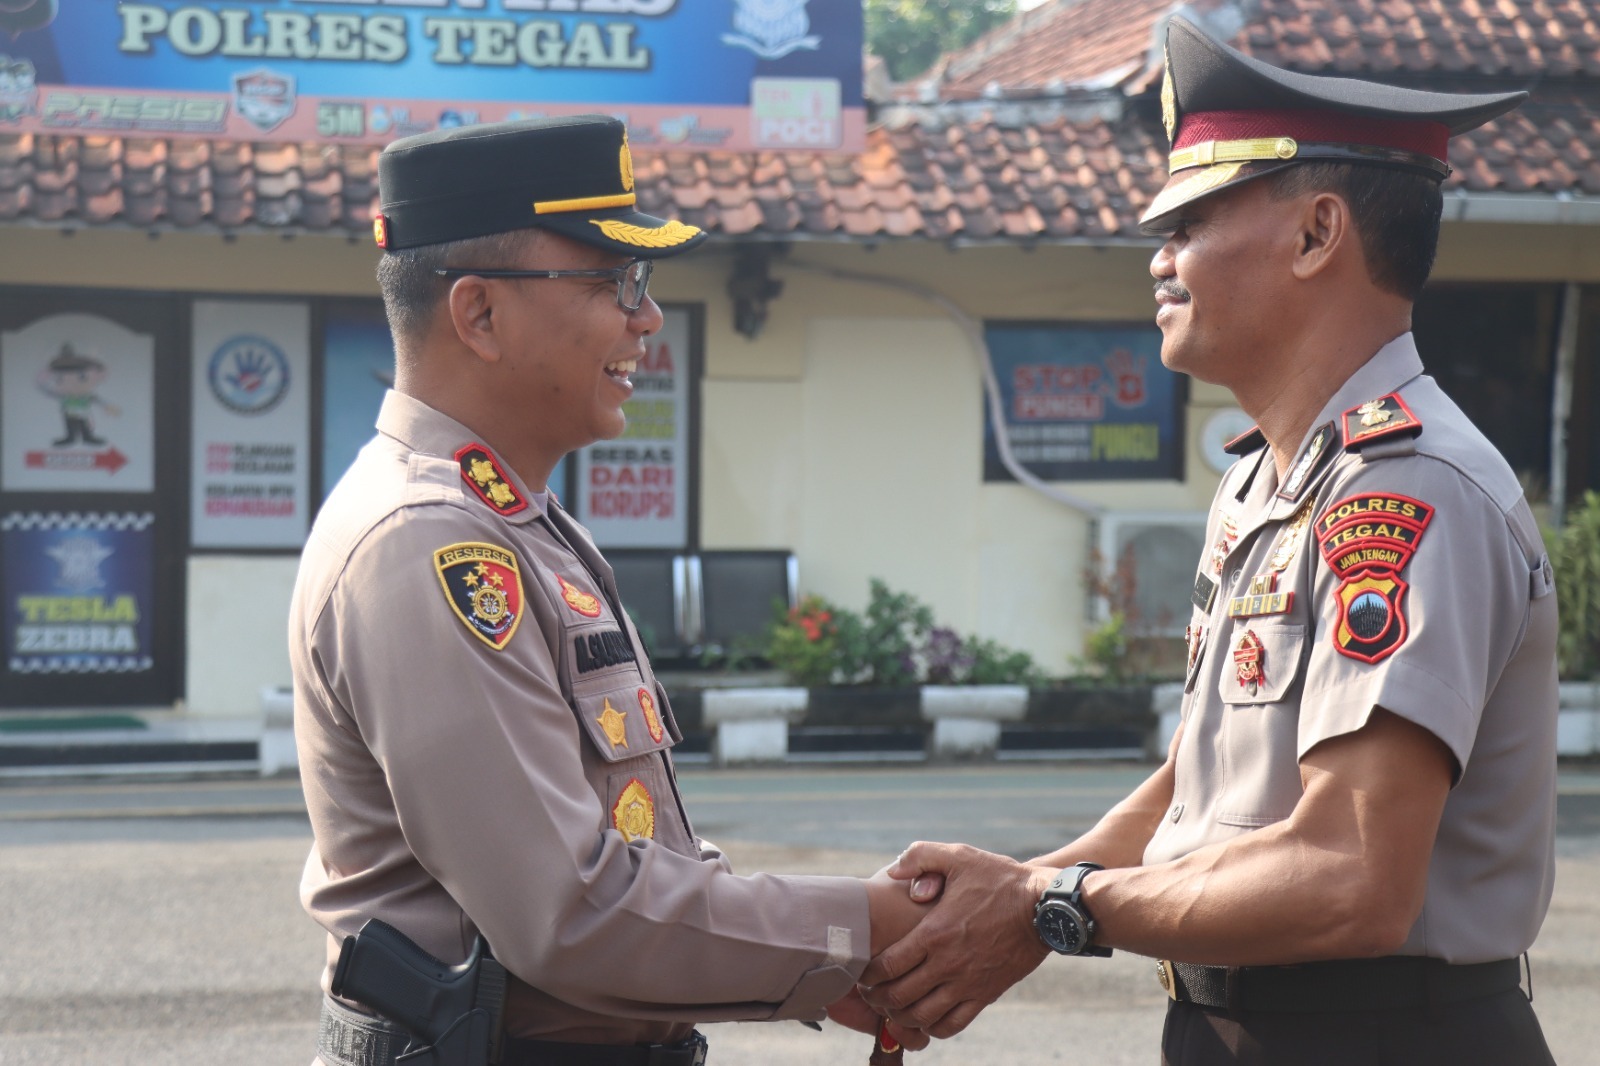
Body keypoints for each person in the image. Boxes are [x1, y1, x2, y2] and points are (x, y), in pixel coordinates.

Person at [861, 18, 1558, 1065]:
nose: (1158, 259)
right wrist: (1004, 902)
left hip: (1376, 1035)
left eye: (1187, 222)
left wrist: (1048, 905)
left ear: (1318, 235)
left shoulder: (1410, 489)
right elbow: (1196, 797)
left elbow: (1350, 879)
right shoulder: (1264, 482)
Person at [290, 115, 928, 1066]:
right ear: (480, 316)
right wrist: (872, 924)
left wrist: (821, 963)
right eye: (613, 281)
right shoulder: (431, 540)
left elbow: (635, 860)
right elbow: (574, 914)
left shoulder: (516, 520)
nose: (647, 318)